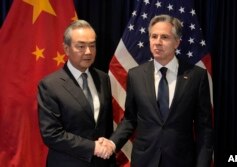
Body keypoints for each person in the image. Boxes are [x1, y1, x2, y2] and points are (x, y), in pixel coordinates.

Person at [99, 14, 213, 167]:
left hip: (181, 160)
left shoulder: (196, 76)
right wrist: (113, 143)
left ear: (177, 42)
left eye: (164, 37)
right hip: (145, 160)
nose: (157, 42)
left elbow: (203, 128)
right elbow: (130, 119)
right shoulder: (135, 75)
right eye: (154, 36)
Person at [37, 20, 116, 167]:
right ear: (66, 49)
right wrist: (92, 147)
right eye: (81, 46)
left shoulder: (103, 78)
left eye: (92, 46)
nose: (88, 52)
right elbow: (51, 134)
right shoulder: (50, 85)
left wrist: (107, 145)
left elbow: (105, 125)